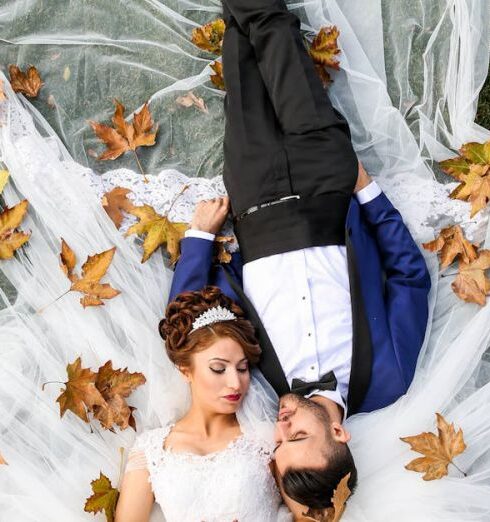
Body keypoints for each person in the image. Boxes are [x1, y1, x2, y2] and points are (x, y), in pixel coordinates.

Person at [169, 0, 431, 514]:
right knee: (275, 33)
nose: (281, 429)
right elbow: (408, 276)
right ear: (338, 432)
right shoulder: (389, 378)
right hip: (327, 183)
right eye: (298, 438)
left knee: (240, 53)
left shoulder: (254, 386)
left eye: (277, 448)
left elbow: (194, 324)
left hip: (254, 197)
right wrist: (369, 192)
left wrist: (199, 240)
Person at [115, 287, 291, 522]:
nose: (235, 383)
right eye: (218, 369)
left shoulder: (268, 440)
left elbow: (310, 515)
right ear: (185, 371)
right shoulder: (151, 450)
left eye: (242, 368)